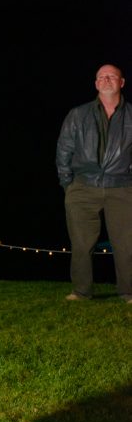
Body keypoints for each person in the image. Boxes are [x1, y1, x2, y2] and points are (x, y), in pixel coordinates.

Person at [56, 63, 132, 302]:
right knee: (81, 244)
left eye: (112, 76)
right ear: (96, 84)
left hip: (122, 188)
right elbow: (63, 151)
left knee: (127, 245)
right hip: (82, 187)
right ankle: (81, 291)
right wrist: (69, 185)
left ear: (121, 82)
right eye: (101, 76)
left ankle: (128, 292)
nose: (106, 80)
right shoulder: (78, 114)